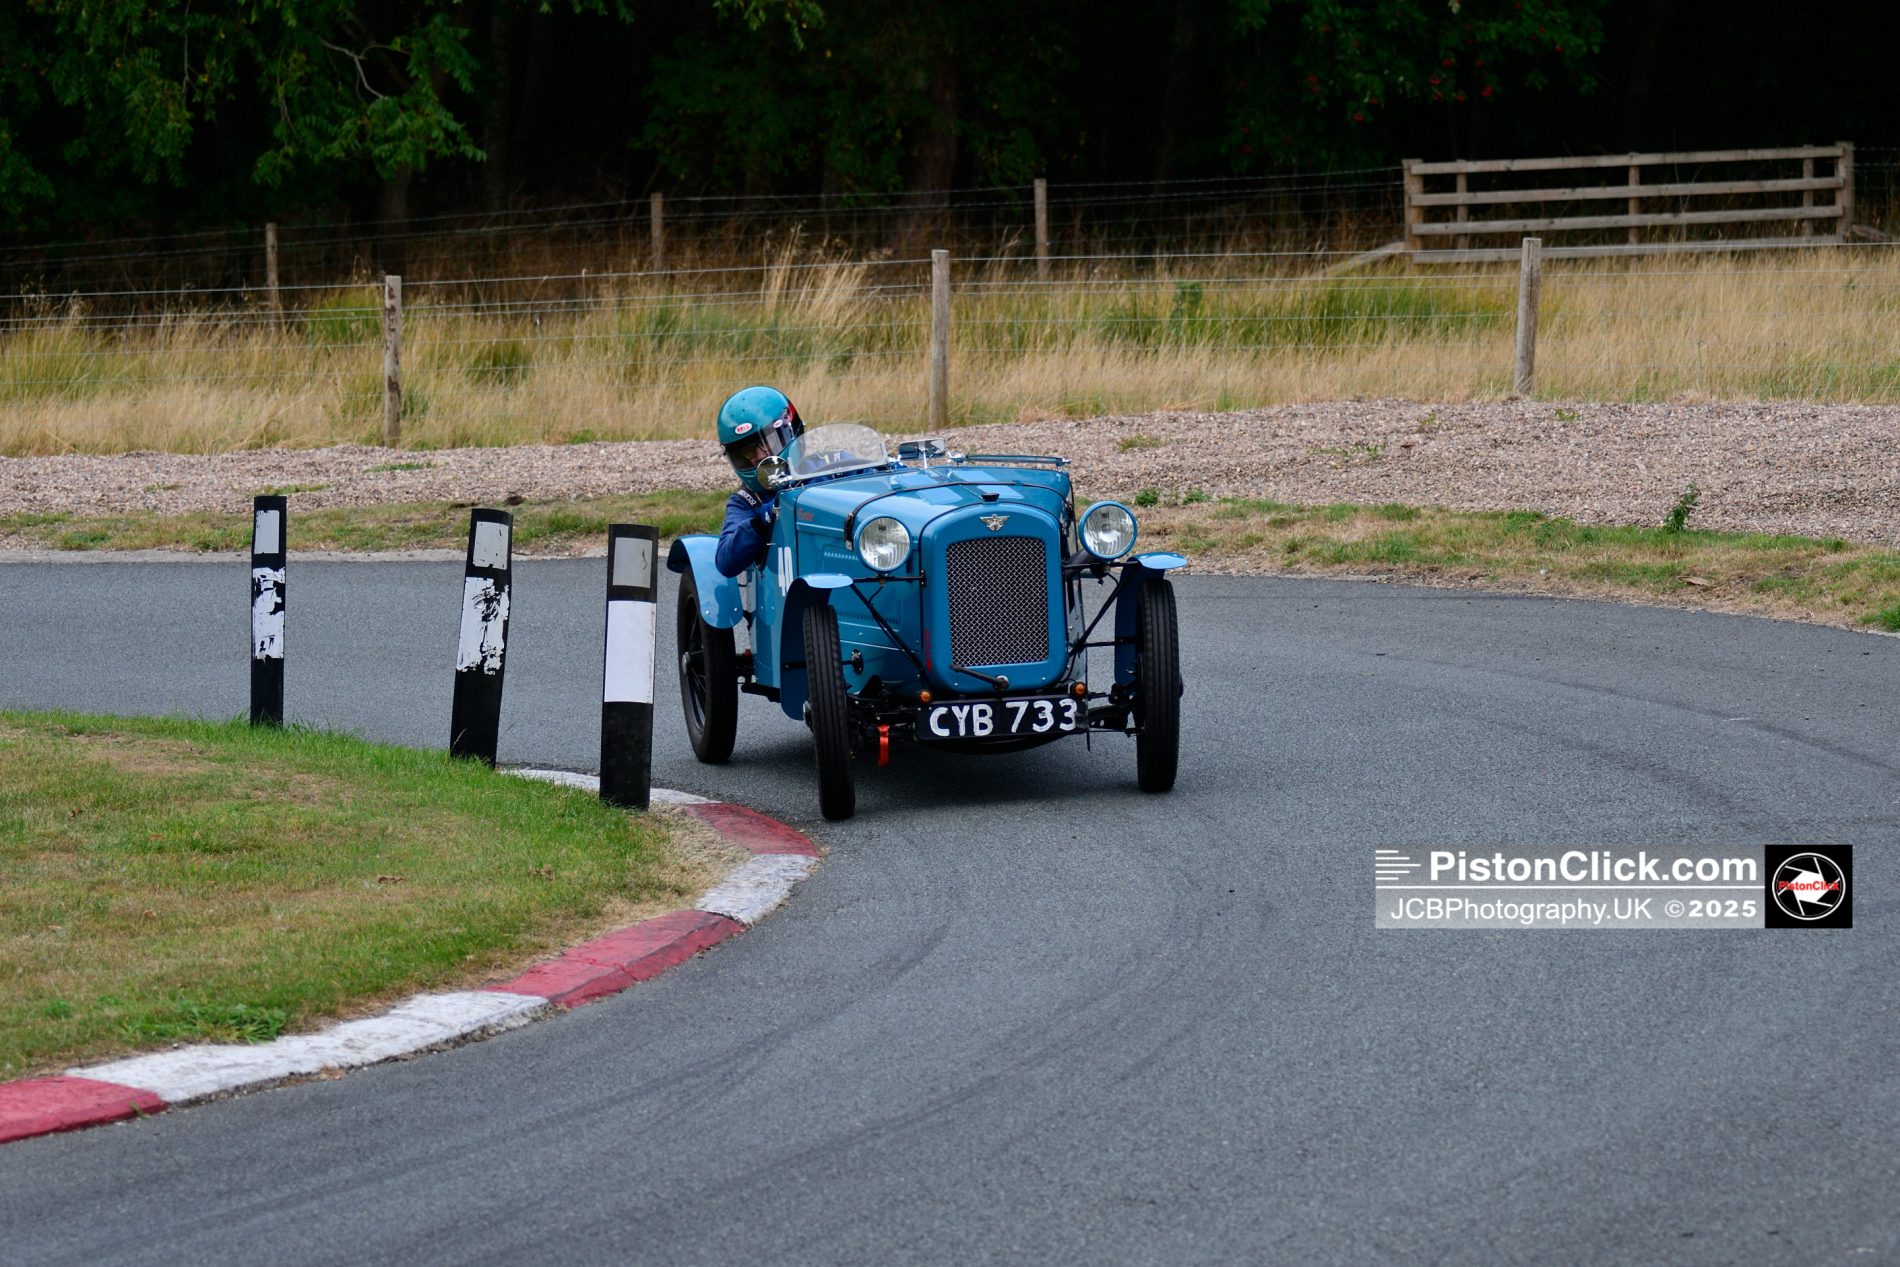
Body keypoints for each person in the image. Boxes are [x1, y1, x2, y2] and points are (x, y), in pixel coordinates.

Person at [713, 385, 805, 577]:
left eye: (768, 441)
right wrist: (763, 518)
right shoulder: (746, 500)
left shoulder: (825, 468)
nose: (759, 456)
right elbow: (725, 562)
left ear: (790, 429)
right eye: (746, 452)